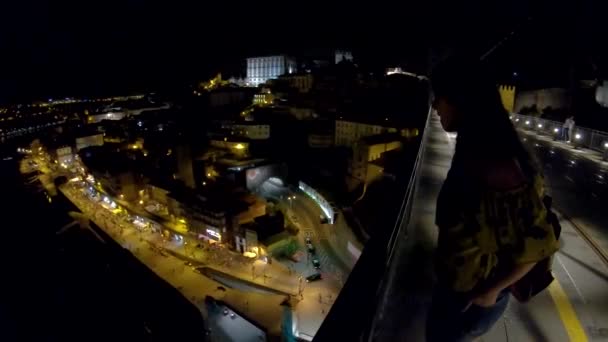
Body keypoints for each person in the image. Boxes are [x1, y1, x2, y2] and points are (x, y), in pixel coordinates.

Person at [427, 57, 559, 342]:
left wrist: (490, 292)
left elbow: (540, 245)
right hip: (461, 290)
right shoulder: (478, 150)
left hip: (469, 298)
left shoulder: (495, 165)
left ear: (461, 100)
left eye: (440, 97)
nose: (435, 106)